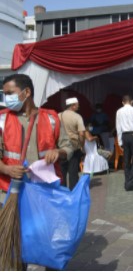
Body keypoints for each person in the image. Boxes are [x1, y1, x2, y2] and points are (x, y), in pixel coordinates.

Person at [0, 74, 73, 203]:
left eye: (10, 93)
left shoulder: (51, 118)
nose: (6, 99)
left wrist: (58, 152)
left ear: (27, 92)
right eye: (5, 94)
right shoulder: (2, 119)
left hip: (45, 190)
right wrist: (7, 169)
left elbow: (68, 147)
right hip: (10, 191)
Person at [59, 97, 87, 190]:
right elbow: (82, 134)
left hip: (61, 146)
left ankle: (62, 191)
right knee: (73, 171)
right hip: (74, 146)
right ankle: (73, 191)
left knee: (61, 170)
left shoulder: (59, 115)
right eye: (77, 104)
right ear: (73, 106)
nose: (78, 106)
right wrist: (82, 145)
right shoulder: (77, 117)